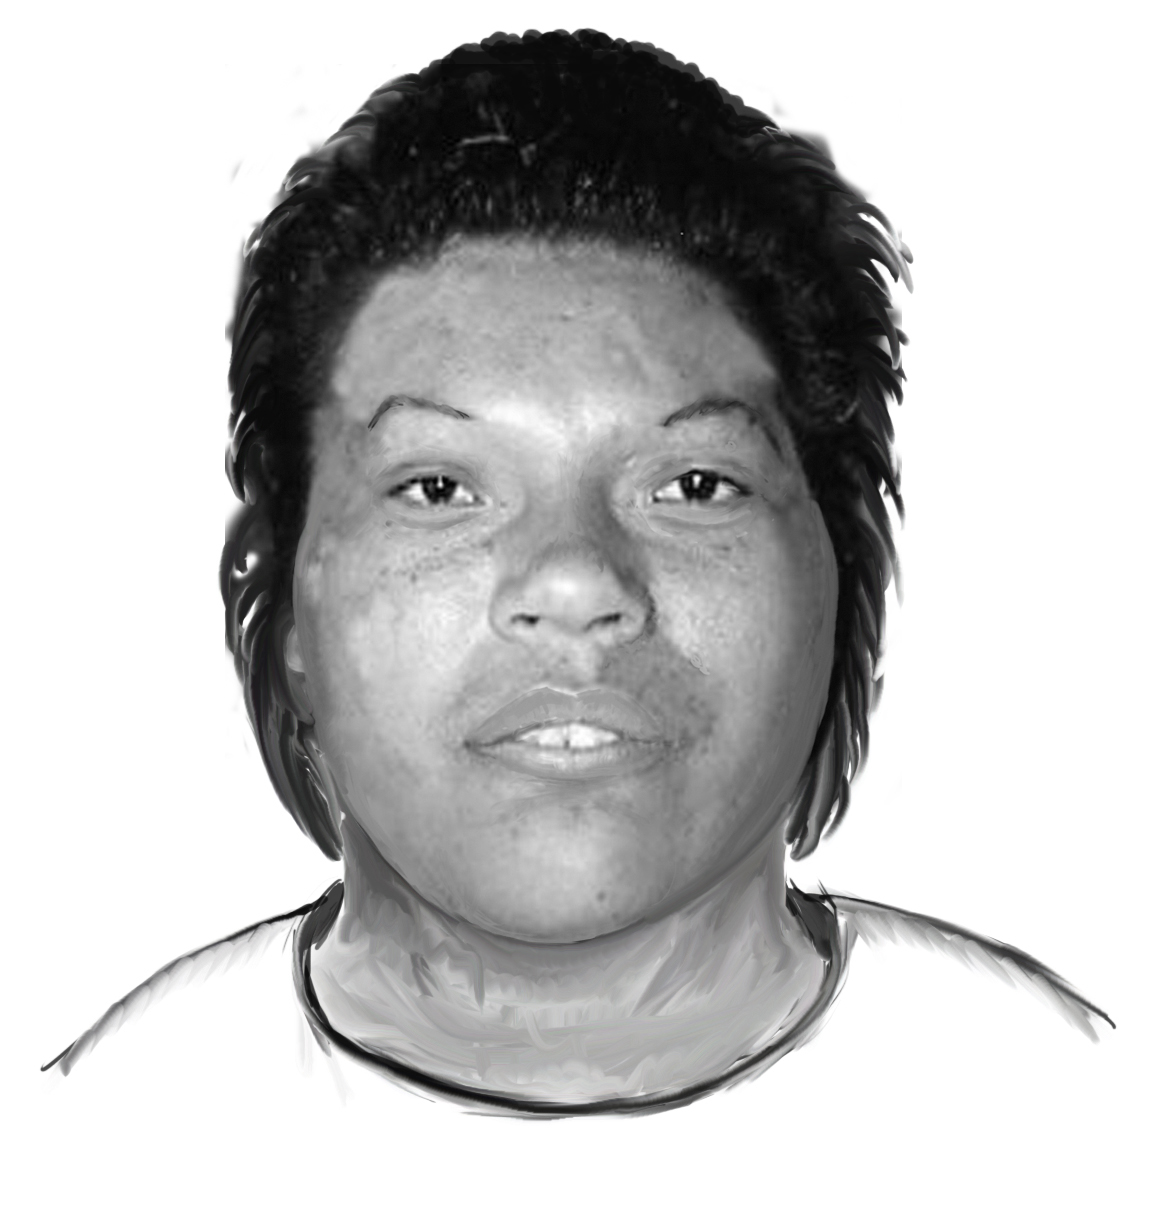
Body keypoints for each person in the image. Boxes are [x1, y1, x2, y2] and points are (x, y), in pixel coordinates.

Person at [43, 29, 1111, 1114]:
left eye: (694, 483)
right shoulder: (108, 1116)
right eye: (438, 489)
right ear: (285, 614)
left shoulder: (1062, 1096)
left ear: (842, 577)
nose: (574, 582)